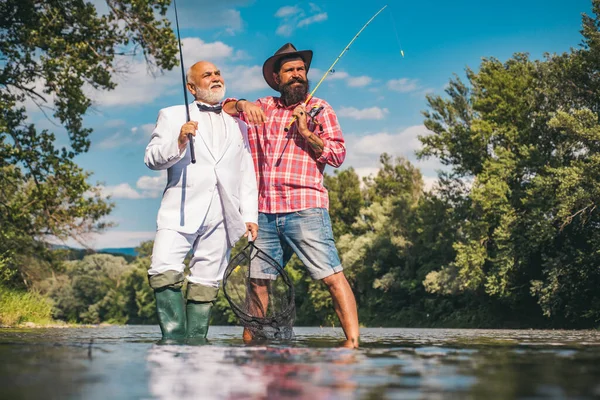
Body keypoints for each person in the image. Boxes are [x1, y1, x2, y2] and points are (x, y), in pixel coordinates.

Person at [223, 43, 360, 348]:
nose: (297, 75)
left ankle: (352, 346)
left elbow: (338, 155)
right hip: (263, 213)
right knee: (258, 282)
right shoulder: (263, 107)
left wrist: (307, 132)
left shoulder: (321, 108)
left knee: (331, 277)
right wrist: (244, 105)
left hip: (306, 208)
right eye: (290, 70)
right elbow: (224, 107)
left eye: (301, 70)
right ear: (277, 77)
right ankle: (251, 347)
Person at [145, 61, 258, 340]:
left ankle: (196, 345)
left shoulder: (239, 126)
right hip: (180, 210)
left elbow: (246, 174)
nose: (215, 78)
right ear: (191, 87)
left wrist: (250, 215)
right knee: (163, 269)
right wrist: (179, 141)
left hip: (222, 214)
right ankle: (172, 343)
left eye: (218, 73)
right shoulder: (172, 116)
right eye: (207, 75)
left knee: (206, 282)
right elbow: (151, 159)